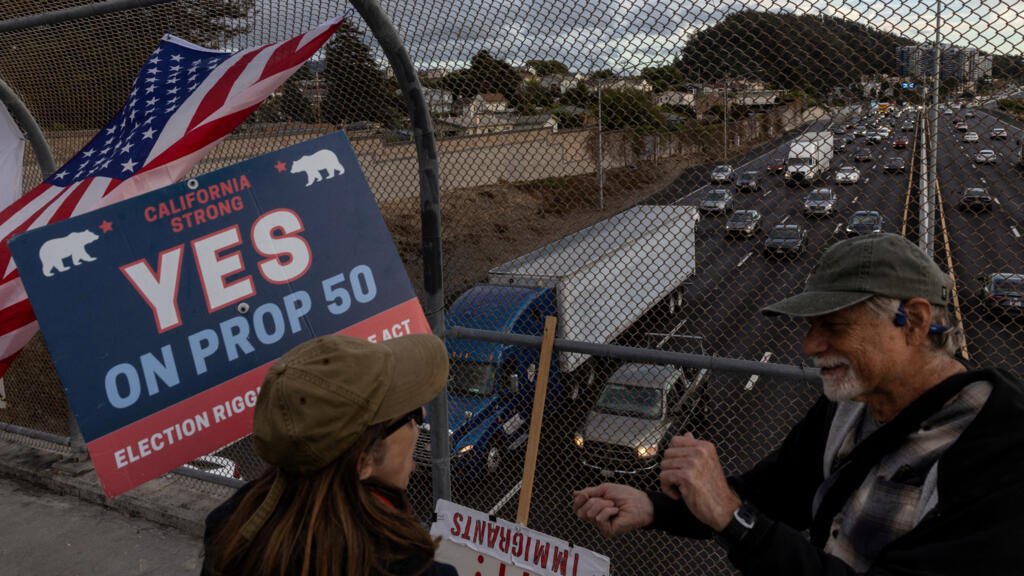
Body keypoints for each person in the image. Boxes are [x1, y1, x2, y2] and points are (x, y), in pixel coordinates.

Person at [573, 233, 1024, 575]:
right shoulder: (852, 405)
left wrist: (733, 520)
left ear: (915, 321)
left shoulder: (998, 450)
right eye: (810, 326)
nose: (810, 346)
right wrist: (656, 508)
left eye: (834, 326)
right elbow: (775, 493)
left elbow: (739, 511)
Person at [202, 333, 457, 576]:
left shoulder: (230, 528)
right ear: (364, 462)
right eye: (410, 414)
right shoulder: (408, 567)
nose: (422, 416)